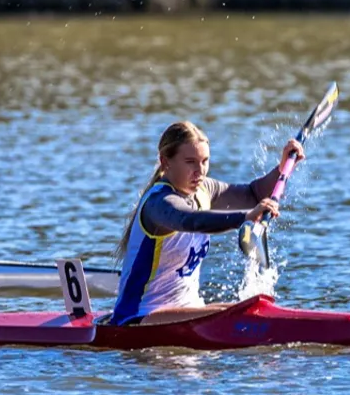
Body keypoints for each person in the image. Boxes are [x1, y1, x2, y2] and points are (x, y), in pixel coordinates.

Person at [110, 121, 303, 326]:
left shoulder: (203, 190)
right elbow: (190, 220)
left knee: (253, 306)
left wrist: (282, 168)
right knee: (244, 315)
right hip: (139, 317)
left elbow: (253, 194)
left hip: (188, 308)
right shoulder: (159, 204)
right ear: (165, 161)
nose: (200, 171)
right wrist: (244, 217)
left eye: (205, 161)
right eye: (190, 162)